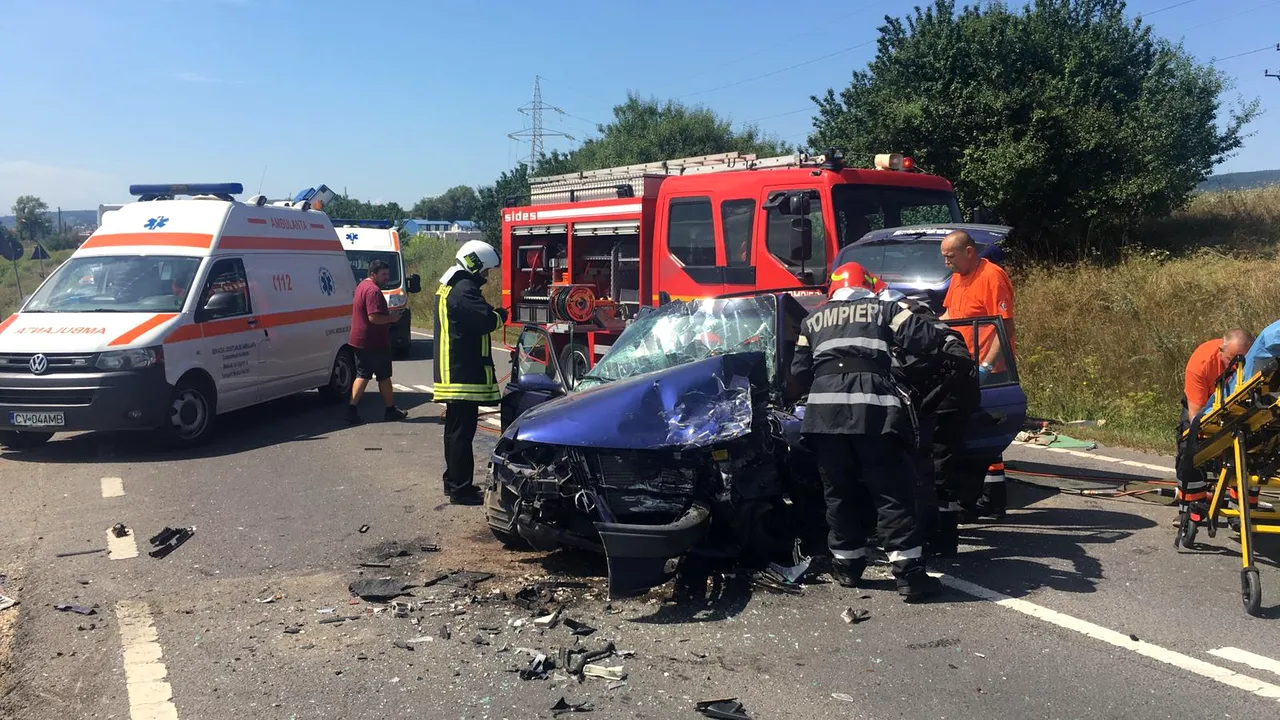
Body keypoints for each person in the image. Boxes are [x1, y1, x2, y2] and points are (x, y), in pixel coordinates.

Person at [790, 261, 949, 601]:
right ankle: (909, 575)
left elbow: (799, 373)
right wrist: (903, 307)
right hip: (874, 414)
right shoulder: (883, 308)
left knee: (839, 493)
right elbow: (924, 338)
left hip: (823, 417)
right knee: (891, 492)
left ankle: (847, 567)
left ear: (833, 288)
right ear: (869, 285)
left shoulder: (811, 320)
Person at [879, 287, 980, 557]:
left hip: (943, 403)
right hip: (952, 399)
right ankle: (939, 533)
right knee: (938, 469)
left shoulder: (917, 325)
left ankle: (940, 537)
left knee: (933, 470)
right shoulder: (929, 321)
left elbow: (945, 361)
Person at [939, 230, 1015, 520]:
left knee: (985, 434)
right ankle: (978, 498)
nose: (947, 263)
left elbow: (1004, 327)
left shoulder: (992, 277)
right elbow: (951, 315)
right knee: (970, 433)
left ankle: (989, 500)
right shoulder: (958, 278)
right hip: (963, 365)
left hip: (989, 369)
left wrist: (986, 365)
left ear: (969, 252)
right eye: (944, 258)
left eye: (951, 256)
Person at [434, 240, 508, 506]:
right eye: (485, 270)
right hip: (461, 372)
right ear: (475, 263)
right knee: (461, 434)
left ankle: (453, 481)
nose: (486, 276)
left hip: (455, 370)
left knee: (455, 432)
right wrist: (501, 315)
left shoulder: (452, 283)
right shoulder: (464, 288)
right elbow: (485, 320)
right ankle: (461, 489)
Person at [1175, 329, 1255, 525]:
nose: (1235, 366)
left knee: (1253, 449)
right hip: (1204, 406)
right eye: (1230, 360)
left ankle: (1242, 507)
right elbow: (1196, 415)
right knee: (1189, 446)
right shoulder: (1201, 362)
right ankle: (1191, 506)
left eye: (1241, 360)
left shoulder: (1254, 361)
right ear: (1221, 350)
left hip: (1239, 407)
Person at [347, 259, 408, 425]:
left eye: (388, 274)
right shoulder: (373, 291)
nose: (387, 277)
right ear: (373, 274)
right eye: (383, 274)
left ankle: (354, 409)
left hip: (361, 339)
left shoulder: (362, 286)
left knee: (365, 374)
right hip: (373, 341)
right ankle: (388, 410)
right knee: (381, 376)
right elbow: (374, 317)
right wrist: (392, 318)